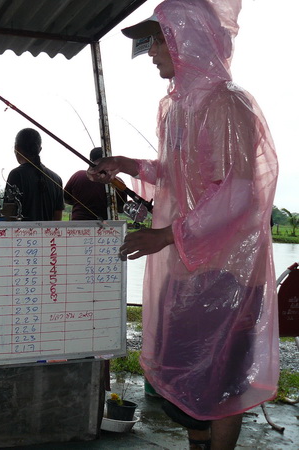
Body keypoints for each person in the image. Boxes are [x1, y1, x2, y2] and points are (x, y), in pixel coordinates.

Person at [87, 1, 279, 449]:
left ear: (185, 38)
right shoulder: (174, 108)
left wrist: (165, 235)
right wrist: (130, 164)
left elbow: (236, 193)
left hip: (228, 274)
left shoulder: (229, 104)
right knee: (188, 379)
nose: (150, 51)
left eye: (156, 39)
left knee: (223, 386)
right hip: (186, 268)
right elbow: (175, 172)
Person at [3, 128, 64, 221]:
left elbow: (9, 213)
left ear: (17, 148)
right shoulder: (56, 178)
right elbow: (57, 217)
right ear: (40, 149)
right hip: (49, 235)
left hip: (21, 235)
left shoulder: (16, 175)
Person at [64, 147, 126, 220]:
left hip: (79, 225)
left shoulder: (77, 175)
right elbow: (121, 208)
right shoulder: (117, 182)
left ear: (90, 160)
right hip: (108, 227)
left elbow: (66, 199)